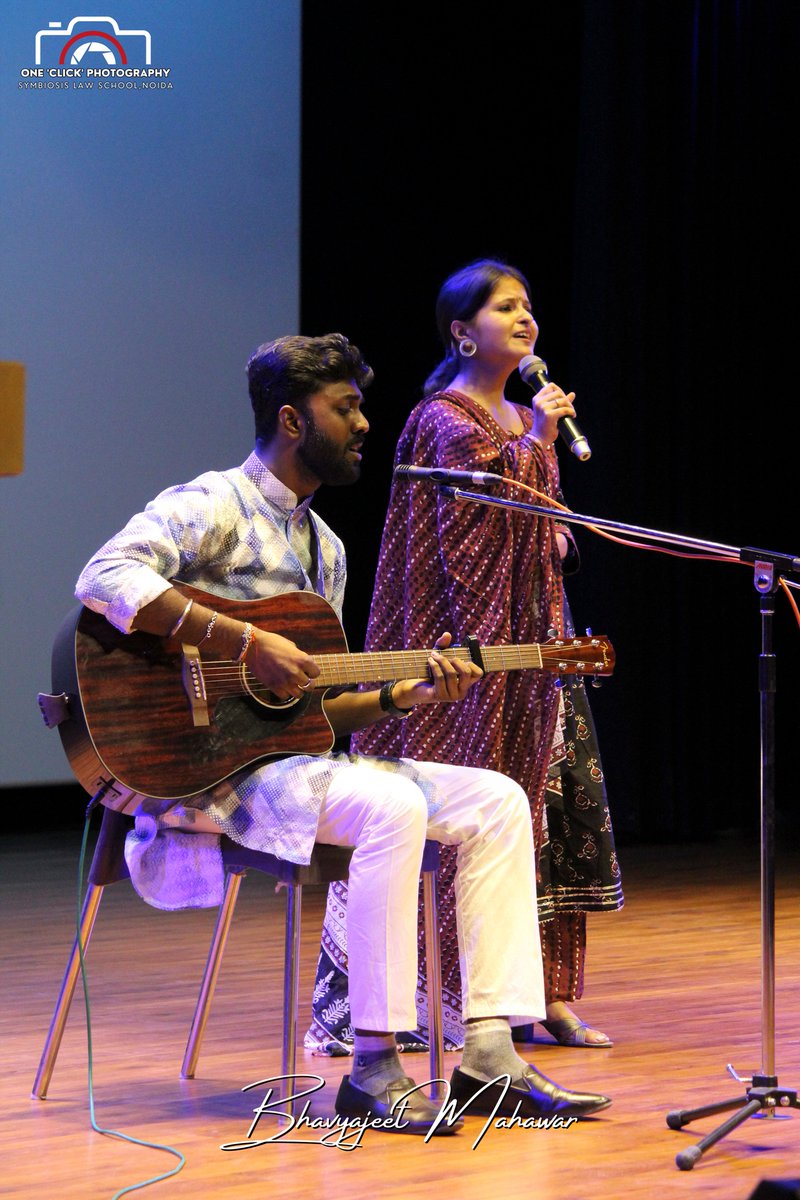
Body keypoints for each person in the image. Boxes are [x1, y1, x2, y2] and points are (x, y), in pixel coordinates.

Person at [73, 331, 611, 1135]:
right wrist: (245, 642)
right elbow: (104, 577)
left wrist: (403, 694)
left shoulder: (326, 549)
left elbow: (314, 712)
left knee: (497, 798)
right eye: (347, 407)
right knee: (391, 807)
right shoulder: (213, 502)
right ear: (292, 420)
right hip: (207, 775)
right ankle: (373, 1064)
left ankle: (489, 1053)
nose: (364, 424)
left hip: (284, 765)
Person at [309, 262, 623, 1057]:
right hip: (467, 653)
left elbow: (548, 534)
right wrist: (542, 444)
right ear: (462, 329)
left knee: (550, 817)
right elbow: (470, 546)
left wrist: (546, 484)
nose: (527, 320)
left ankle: (545, 996)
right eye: (506, 307)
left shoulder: (522, 416)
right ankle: (445, 1000)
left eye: (530, 307)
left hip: (541, 641)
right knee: (478, 813)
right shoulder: (443, 419)